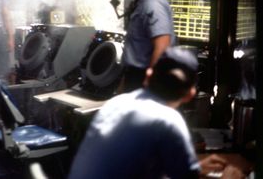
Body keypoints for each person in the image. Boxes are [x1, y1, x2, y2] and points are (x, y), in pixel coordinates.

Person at [68, 47, 243, 179]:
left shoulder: (114, 104)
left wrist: (194, 168)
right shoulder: (168, 120)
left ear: (148, 76)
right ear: (191, 93)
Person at [117, 0, 175, 92]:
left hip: (143, 82)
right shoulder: (144, 1)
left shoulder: (153, 3)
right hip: (134, 79)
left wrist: (148, 85)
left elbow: (162, 46)